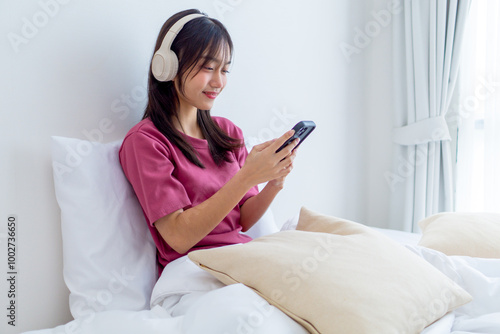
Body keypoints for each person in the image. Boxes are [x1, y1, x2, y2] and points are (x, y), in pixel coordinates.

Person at [119, 9, 298, 275]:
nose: (219, 81)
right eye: (208, 67)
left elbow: (243, 220)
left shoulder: (227, 132)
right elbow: (179, 237)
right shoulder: (146, 141)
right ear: (167, 65)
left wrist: (273, 182)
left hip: (241, 259)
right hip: (195, 271)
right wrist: (247, 176)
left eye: (224, 70)